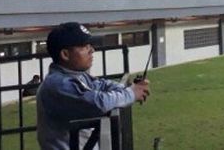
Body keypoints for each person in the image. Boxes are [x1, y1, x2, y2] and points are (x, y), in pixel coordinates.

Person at [36, 22, 149, 150]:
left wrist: (128, 90)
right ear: (65, 54)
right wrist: (131, 93)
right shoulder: (57, 85)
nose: (92, 50)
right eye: (85, 47)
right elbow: (98, 103)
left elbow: (102, 85)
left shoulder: (77, 76)